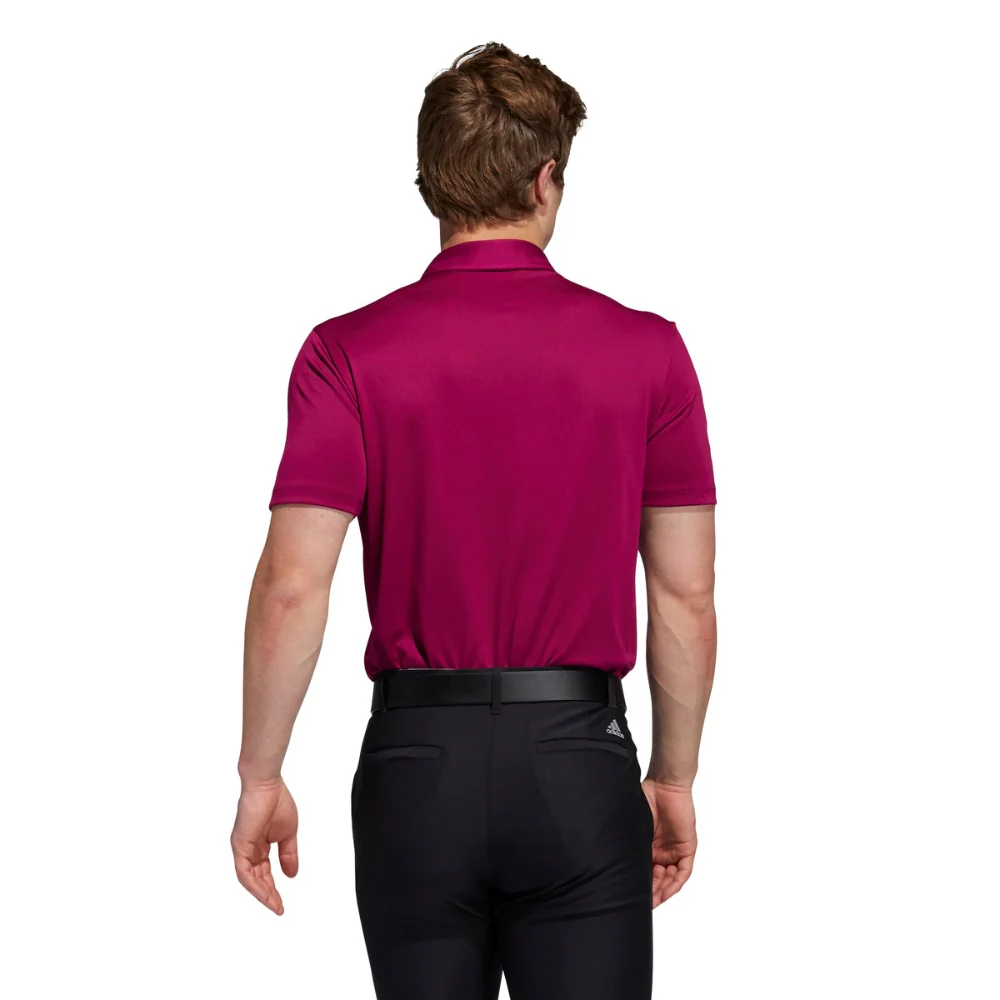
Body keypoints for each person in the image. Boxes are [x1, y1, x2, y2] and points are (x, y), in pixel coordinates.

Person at [231, 41, 717, 1000]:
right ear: (546, 180)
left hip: (418, 770)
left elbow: (292, 585)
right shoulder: (649, 353)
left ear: (432, 184)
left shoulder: (345, 353)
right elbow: (684, 595)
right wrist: (673, 777)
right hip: (579, 763)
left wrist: (261, 774)